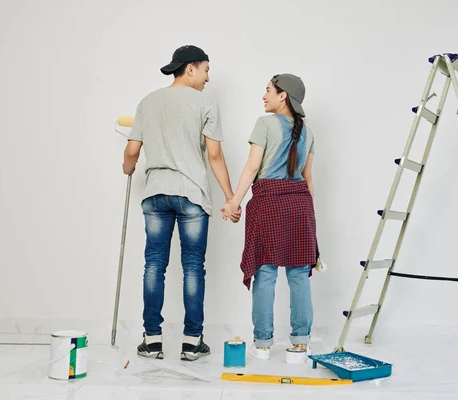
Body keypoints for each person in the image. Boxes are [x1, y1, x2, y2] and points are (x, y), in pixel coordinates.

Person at [122, 45, 240, 361]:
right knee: (193, 267)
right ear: (190, 68)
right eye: (205, 70)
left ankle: (152, 340)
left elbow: (133, 150)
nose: (207, 78)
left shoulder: (148, 102)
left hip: (156, 193)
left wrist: (127, 166)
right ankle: (191, 342)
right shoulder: (206, 103)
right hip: (192, 195)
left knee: (154, 264)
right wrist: (230, 196)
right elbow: (214, 155)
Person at [221, 73, 318, 360]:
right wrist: (311, 218)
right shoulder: (309, 132)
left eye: (268, 91)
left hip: (270, 203)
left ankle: (262, 345)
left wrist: (234, 202)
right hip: (301, 205)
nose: (264, 96)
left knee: (265, 273)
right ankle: (300, 344)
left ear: (283, 95)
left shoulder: (265, 123)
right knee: (299, 275)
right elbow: (308, 177)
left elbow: (252, 168)